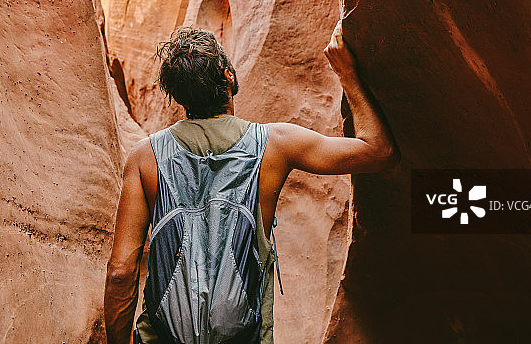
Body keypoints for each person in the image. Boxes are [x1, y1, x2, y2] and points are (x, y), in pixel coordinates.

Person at [104, 21, 399, 344]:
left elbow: (121, 272)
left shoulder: (145, 157)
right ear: (228, 76)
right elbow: (379, 151)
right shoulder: (275, 144)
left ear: (178, 95)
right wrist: (348, 73)